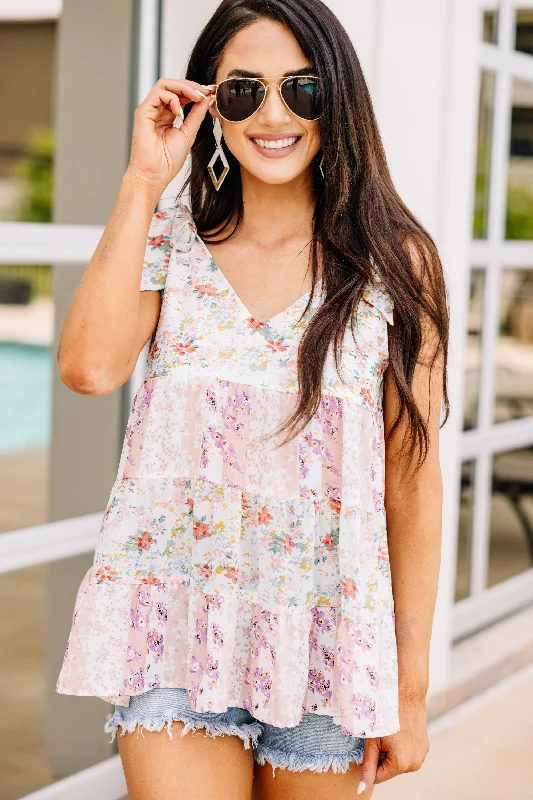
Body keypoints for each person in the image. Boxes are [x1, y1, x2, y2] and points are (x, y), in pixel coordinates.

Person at [55, 1, 448, 798]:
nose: (272, 114)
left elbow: (411, 481)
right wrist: (142, 181)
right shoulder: (173, 238)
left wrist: (407, 690)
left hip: (327, 641)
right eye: (242, 92)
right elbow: (90, 369)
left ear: (335, 102)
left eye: (300, 91)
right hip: (174, 628)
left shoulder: (395, 265)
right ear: (210, 106)